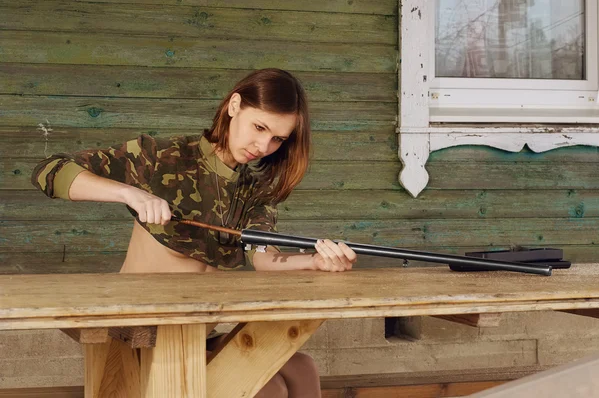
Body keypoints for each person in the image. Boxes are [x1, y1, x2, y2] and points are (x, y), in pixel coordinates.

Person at [31, 68, 357, 397]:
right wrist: (131, 193)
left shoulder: (254, 193)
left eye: (277, 139)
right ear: (234, 106)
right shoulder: (161, 157)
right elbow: (49, 171)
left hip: (197, 333)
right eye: (259, 127)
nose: (263, 145)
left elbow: (265, 258)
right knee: (268, 389)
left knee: (302, 368)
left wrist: (314, 262)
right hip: (141, 335)